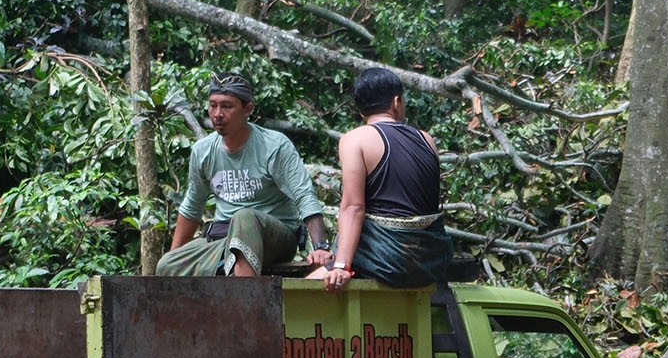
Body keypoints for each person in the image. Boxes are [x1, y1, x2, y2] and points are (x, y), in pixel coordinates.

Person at [154, 73, 331, 277]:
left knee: (244, 217)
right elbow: (192, 205)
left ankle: (246, 303)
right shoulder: (203, 150)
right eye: (213, 105)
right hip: (223, 239)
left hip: (274, 238)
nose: (218, 114)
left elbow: (304, 195)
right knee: (167, 265)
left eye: (227, 106)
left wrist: (320, 246)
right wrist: (177, 254)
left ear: (248, 109)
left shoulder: (273, 146)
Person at [315, 67, 454, 292]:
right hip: (432, 258)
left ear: (361, 111)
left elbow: (353, 207)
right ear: (396, 102)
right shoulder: (427, 139)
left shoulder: (355, 139)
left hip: (388, 259)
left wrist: (341, 266)